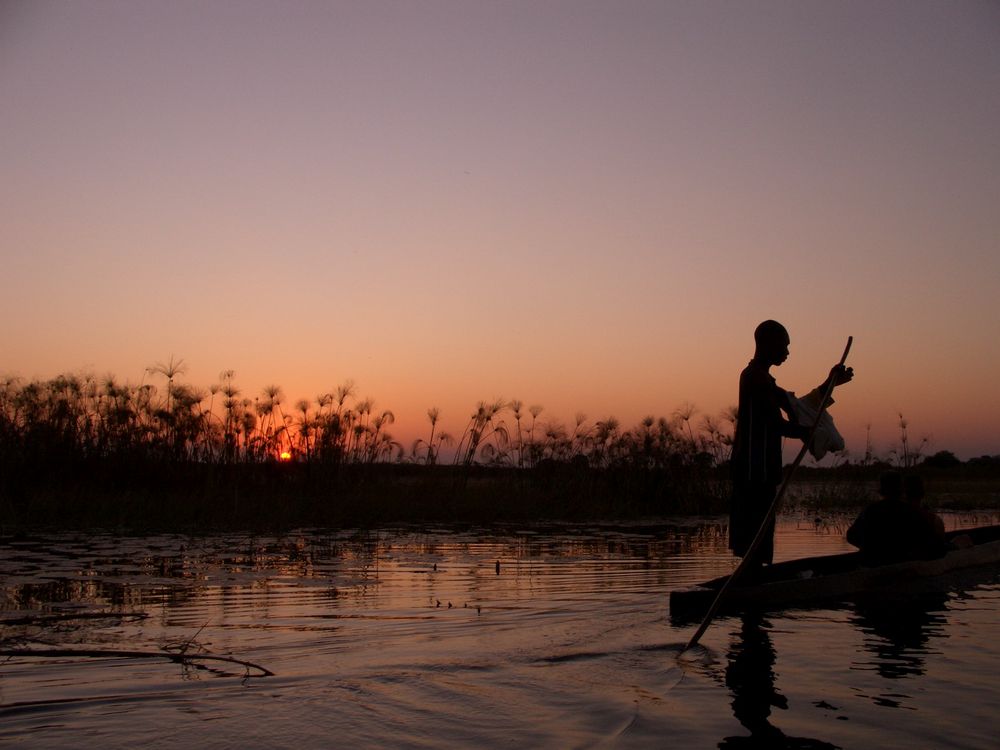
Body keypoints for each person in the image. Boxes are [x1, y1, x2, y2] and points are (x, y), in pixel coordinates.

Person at [729, 320, 853, 566]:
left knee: (759, 541)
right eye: (784, 346)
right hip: (754, 473)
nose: (787, 353)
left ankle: (755, 586)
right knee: (755, 540)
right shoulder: (755, 378)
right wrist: (810, 433)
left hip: (760, 473)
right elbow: (775, 423)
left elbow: (795, 406)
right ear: (767, 344)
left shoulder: (764, 379)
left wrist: (830, 383)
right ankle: (753, 588)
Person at [846, 471, 948, 565]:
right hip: (901, 564)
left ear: (880, 490)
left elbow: (851, 536)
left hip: (870, 563)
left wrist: (869, 548)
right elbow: (937, 547)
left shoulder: (870, 510)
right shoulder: (911, 512)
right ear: (901, 489)